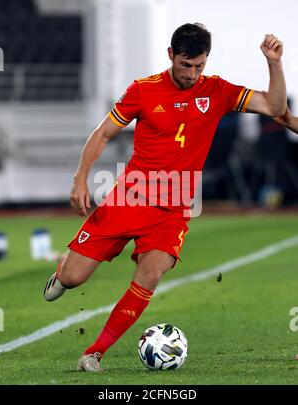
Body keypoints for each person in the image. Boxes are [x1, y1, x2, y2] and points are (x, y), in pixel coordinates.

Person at [44, 23, 287, 372]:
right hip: (128, 199)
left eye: (199, 66)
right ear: (171, 55)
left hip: (172, 211)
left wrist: (274, 63)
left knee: (151, 274)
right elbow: (103, 133)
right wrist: (80, 178)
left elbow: (274, 105)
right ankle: (62, 273)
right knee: (73, 279)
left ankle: (94, 353)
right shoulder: (143, 90)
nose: (192, 74)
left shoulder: (217, 91)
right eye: (185, 65)